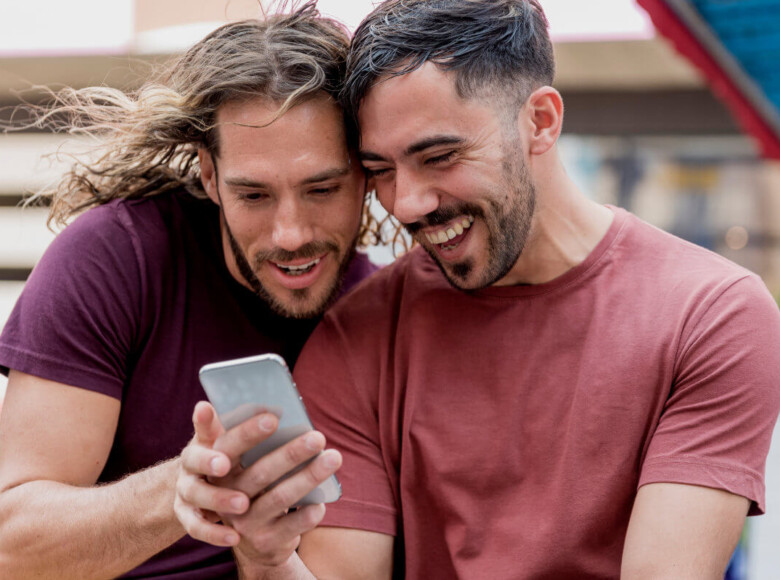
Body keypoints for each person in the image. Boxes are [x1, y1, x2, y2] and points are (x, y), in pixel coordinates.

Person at [174, 0, 780, 578]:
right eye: (381, 170)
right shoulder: (358, 333)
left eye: (438, 156)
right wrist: (268, 557)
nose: (407, 202)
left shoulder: (712, 315)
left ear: (539, 122)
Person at [0, 3, 380, 578]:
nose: (291, 234)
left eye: (322, 189)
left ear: (367, 172)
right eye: (253, 195)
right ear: (209, 175)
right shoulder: (114, 258)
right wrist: (185, 488)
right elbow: (11, 544)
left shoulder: (380, 313)